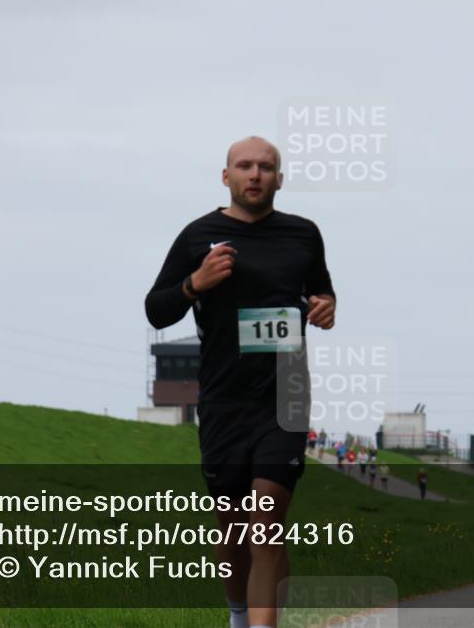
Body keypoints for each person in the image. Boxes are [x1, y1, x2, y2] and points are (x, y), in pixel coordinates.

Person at [144, 135, 336, 628]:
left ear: (280, 179)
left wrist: (325, 307)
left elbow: (322, 293)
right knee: (233, 532)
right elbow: (156, 309)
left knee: (267, 519)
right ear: (226, 177)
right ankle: (238, 615)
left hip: (285, 391)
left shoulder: (303, 234)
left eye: (266, 167)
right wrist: (195, 283)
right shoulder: (197, 236)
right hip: (225, 399)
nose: (256, 174)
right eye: (245, 166)